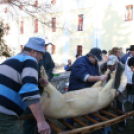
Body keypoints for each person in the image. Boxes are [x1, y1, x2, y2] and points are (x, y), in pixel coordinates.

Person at [0, 37, 50, 134]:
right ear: (32, 52)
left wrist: (37, 81)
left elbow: (12, 80)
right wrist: (41, 122)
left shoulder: (12, 60)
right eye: (41, 54)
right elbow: (30, 94)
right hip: (3, 115)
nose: (41, 58)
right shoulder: (30, 61)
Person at [23, 43, 55, 134]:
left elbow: (50, 68)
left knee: (41, 115)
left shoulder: (47, 55)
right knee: (29, 116)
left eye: (46, 46)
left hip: (42, 91)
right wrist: (37, 79)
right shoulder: (26, 57)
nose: (45, 48)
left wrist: (47, 76)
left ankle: (40, 130)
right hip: (30, 91)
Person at [100, 55, 127, 132]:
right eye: (110, 65)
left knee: (120, 107)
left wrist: (118, 91)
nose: (111, 67)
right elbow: (103, 80)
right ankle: (103, 123)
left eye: (113, 65)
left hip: (119, 88)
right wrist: (105, 90)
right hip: (108, 88)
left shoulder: (122, 67)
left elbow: (123, 82)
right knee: (104, 106)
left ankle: (122, 124)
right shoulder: (103, 67)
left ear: (116, 63)